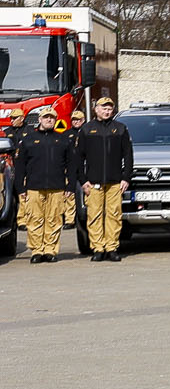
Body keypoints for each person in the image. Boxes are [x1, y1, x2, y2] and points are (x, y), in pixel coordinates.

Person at [73, 95, 133, 263]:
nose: (107, 111)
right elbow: (78, 158)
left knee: (114, 215)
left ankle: (112, 248)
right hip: (93, 182)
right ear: (96, 110)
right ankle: (98, 248)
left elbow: (128, 155)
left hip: (115, 182)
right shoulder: (86, 129)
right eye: (104, 108)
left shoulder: (120, 128)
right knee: (94, 215)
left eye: (109, 109)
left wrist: (126, 177)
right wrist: (83, 180)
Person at [16, 106, 76, 264]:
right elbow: (20, 166)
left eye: (52, 118)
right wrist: (20, 188)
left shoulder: (63, 140)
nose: (49, 120)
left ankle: (50, 250)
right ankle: (36, 251)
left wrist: (70, 187)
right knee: (34, 220)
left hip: (57, 187)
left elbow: (71, 165)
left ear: (55, 120)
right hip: (34, 187)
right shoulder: (28, 140)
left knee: (54, 220)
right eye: (46, 117)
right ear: (40, 119)